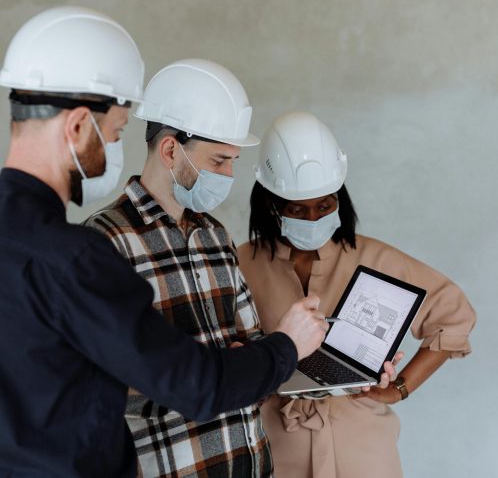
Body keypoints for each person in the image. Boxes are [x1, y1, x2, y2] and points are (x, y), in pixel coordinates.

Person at [0, 9, 329, 478]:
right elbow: (190, 384)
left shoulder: (210, 236)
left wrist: (254, 359)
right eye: (114, 133)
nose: (116, 149)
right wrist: (281, 349)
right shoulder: (82, 252)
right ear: (76, 127)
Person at [84, 59, 331, 477]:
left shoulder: (215, 236)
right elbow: (110, 387)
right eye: (219, 161)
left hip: (251, 464)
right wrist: (224, 371)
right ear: (169, 150)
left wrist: (245, 364)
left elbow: (254, 351)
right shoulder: (103, 243)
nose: (230, 175)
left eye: (233, 161)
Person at [237, 111, 477, 478]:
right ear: (271, 204)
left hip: (362, 449)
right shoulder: (241, 263)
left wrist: (400, 388)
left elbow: (453, 314)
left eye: (324, 205)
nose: (313, 217)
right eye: (296, 209)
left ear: (340, 199)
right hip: (275, 447)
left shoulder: (376, 257)